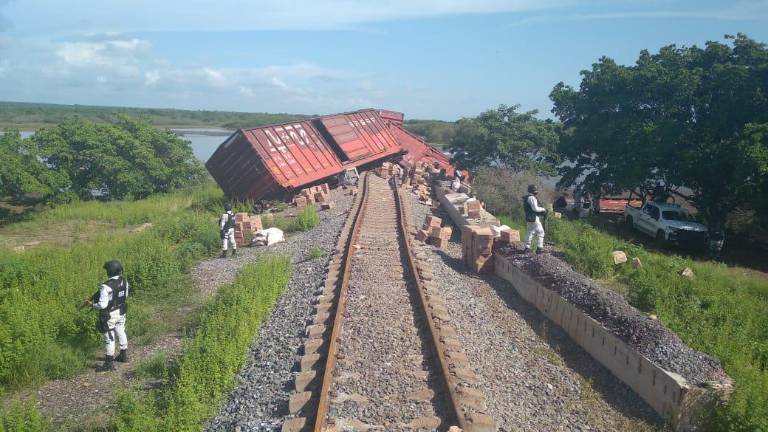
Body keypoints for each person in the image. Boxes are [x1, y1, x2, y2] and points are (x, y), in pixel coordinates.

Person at [89, 260, 129, 371]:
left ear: (109, 272)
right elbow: (125, 295)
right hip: (121, 310)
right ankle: (123, 355)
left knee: (109, 336)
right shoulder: (125, 281)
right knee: (121, 330)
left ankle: (109, 363)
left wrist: (92, 305)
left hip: (110, 314)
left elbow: (102, 305)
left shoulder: (105, 287)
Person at [523, 184, 548, 254]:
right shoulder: (532, 198)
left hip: (528, 217)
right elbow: (535, 208)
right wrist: (543, 209)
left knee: (530, 232)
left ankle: (527, 248)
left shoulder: (527, 197)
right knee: (540, 232)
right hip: (534, 217)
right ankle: (539, 248)